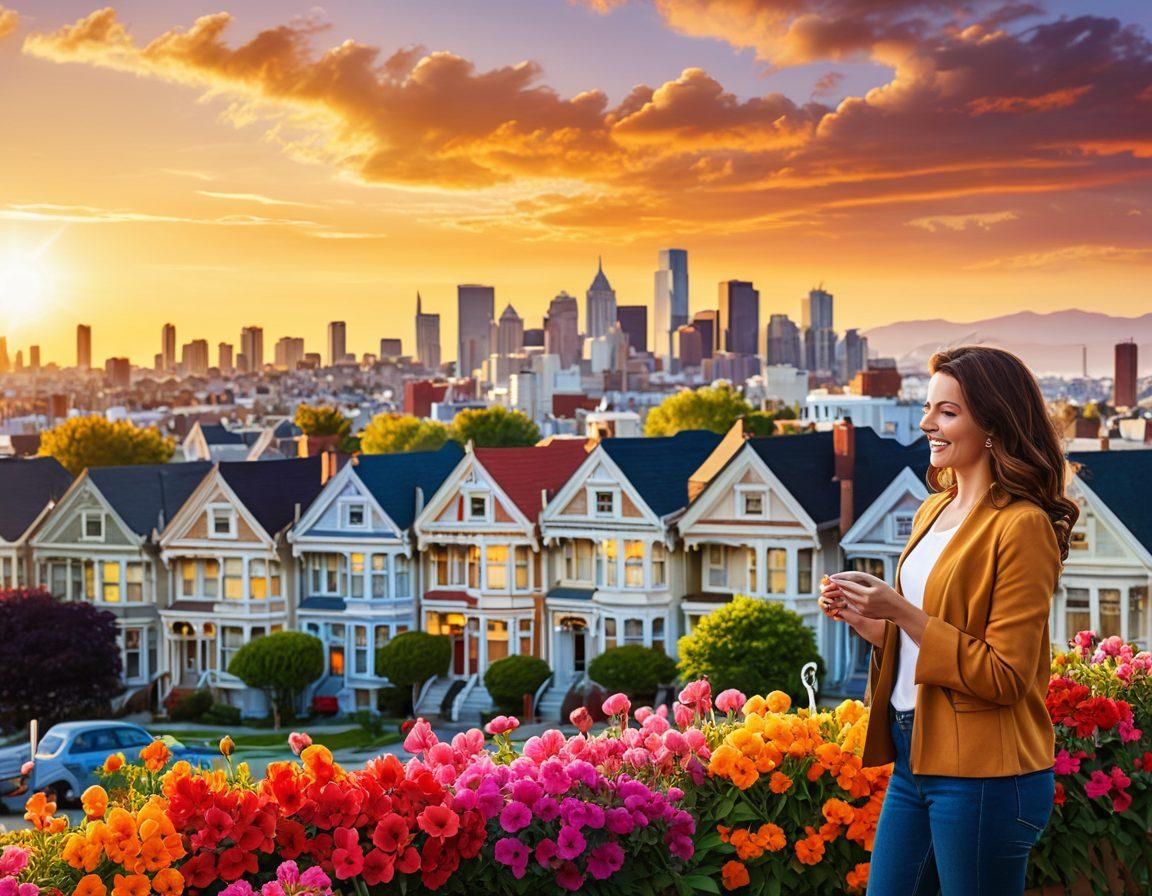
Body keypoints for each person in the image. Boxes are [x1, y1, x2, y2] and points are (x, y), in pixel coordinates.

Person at [819, 345, 1078, 895]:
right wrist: (869, 620)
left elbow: (1005, 675)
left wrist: (902, 611)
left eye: (947, 412)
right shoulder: (932, 508)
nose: (926, 423)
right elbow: (923, 640)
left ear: (992, 425)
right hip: (916, 756)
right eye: (929, 407)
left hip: (987, 774)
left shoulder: (1022, 526)